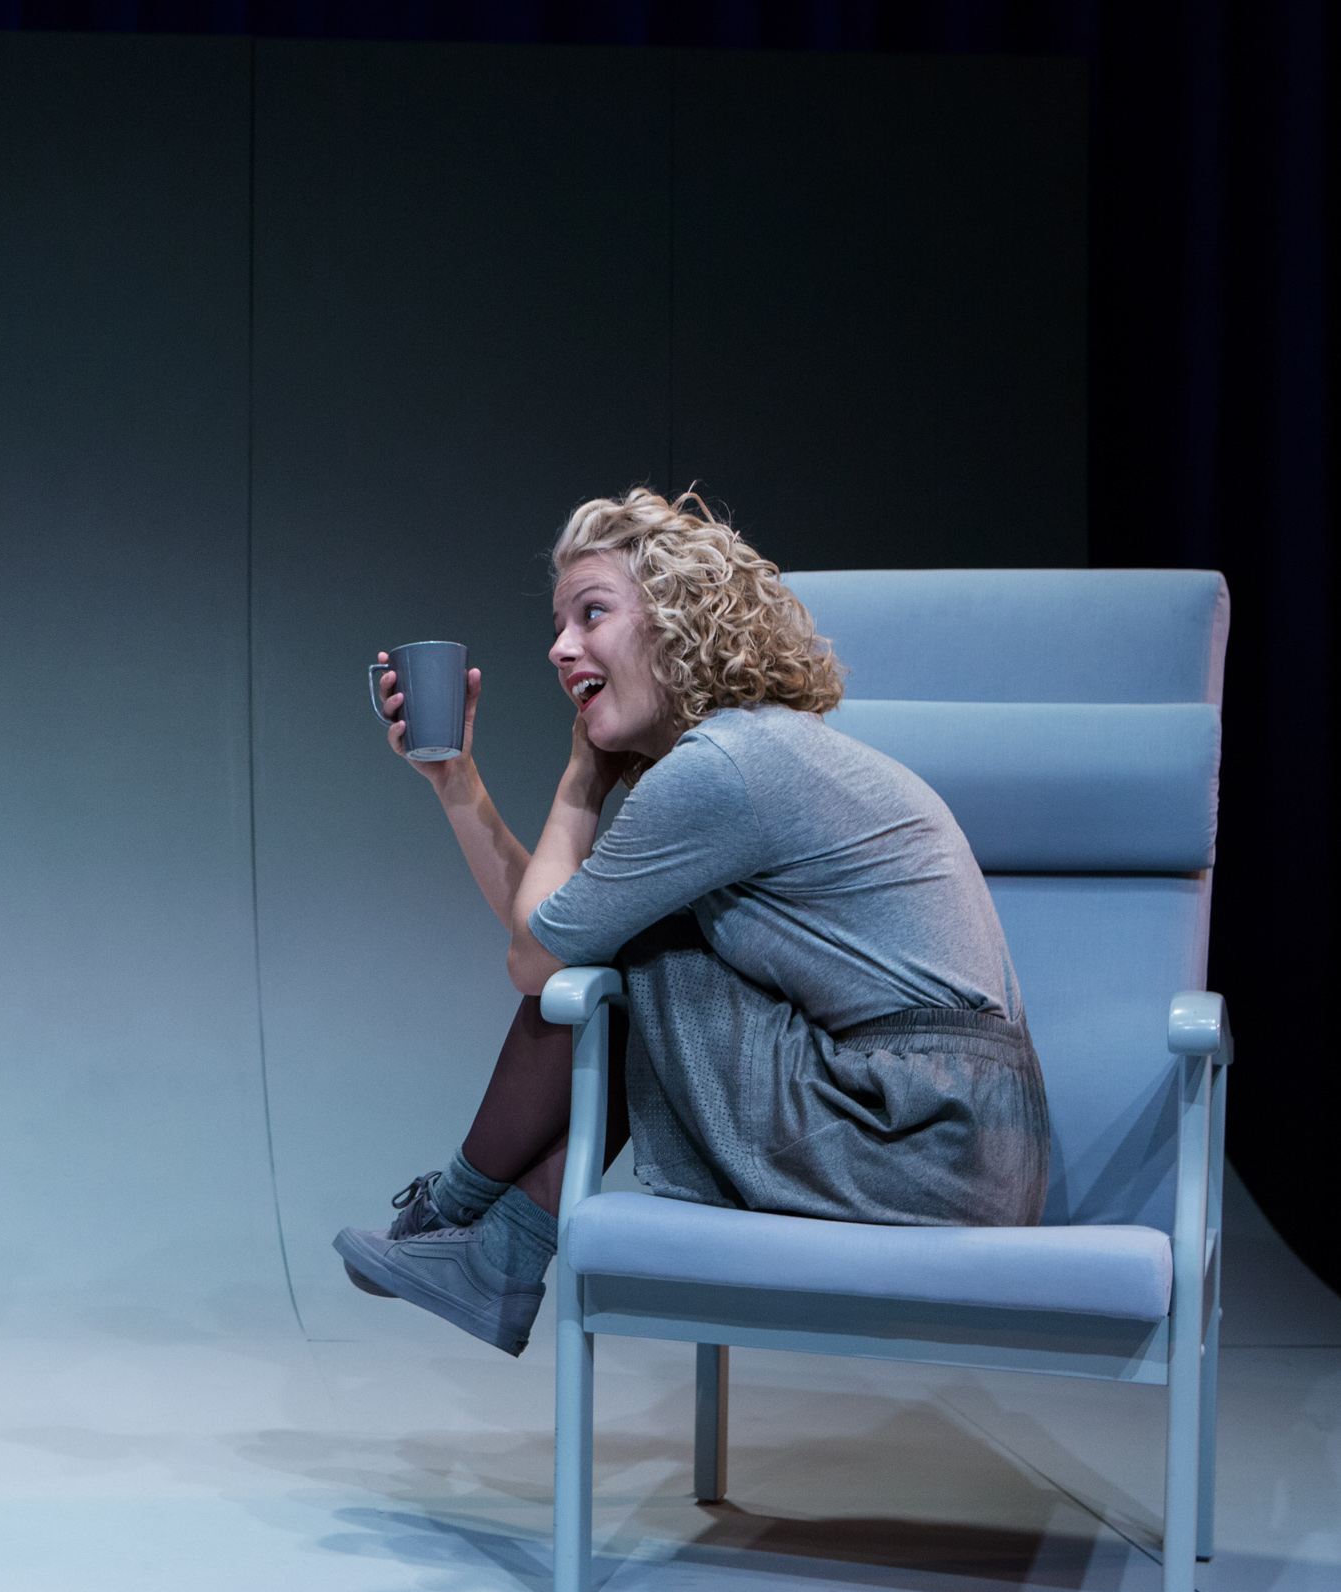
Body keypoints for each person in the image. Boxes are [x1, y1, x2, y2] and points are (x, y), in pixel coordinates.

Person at [334, 489, 1049, 1354]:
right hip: (973, 1141)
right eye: (558, 626)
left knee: (640, 942)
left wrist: (580, 784)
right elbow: (554, 934)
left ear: (678, 619)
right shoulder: (751, 751)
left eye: (592, 613)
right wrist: (458, 784)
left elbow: (539, 956)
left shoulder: (721, 771)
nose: (560, 648)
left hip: (917, 1137)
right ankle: (497, 1253)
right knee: (620, 932)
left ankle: (452, 1223)